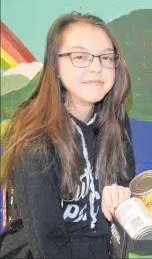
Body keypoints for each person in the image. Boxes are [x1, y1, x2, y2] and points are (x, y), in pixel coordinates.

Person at [0, 13, 136, 258]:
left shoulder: (115, 120)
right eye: (80, 56)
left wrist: (123, 194)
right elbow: (48, 245)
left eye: (106, 57)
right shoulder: (35, 137)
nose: (97, 66)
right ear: (55, 65)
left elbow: (126, 185)